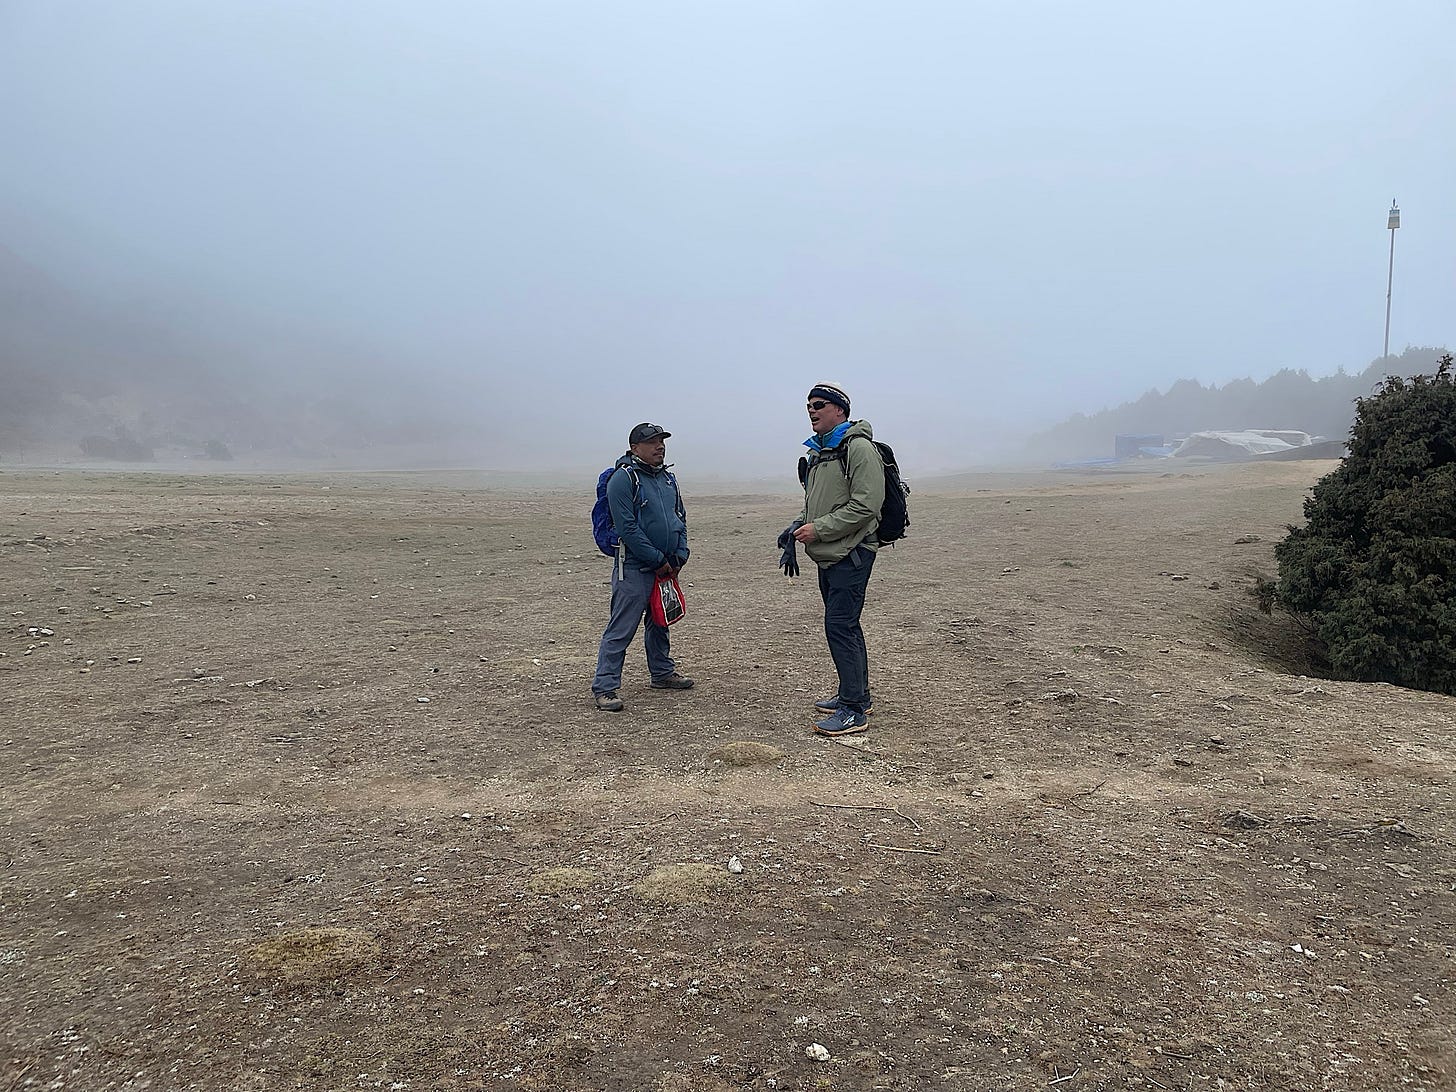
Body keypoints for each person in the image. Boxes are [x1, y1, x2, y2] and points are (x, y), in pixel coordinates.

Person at [782, 383, 884, 736]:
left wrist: (819, 529)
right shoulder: (822, 452)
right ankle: (856, 695)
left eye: (820, 405)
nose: (812, 410)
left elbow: (866, 504)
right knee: (845, 626)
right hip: (831, 552)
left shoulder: (858, 448)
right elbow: (816, 502)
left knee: (840, 626)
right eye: (809, 405)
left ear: (840, 410)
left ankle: (853, 710)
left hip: (852, 551)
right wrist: (798, 524)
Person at [591, 422, 693, 712]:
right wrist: (657, 559)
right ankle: (605, 687)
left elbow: (679, 517)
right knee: (622, 627)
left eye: (662, 441)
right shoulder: (623, 479)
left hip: (666, 565)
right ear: (635, 448)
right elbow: (628, 528)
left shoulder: (668, 478)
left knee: (660, 621)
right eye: (652, 442)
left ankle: (662, 673)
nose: (659, 446)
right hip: (635, 567)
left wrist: (680, 554)